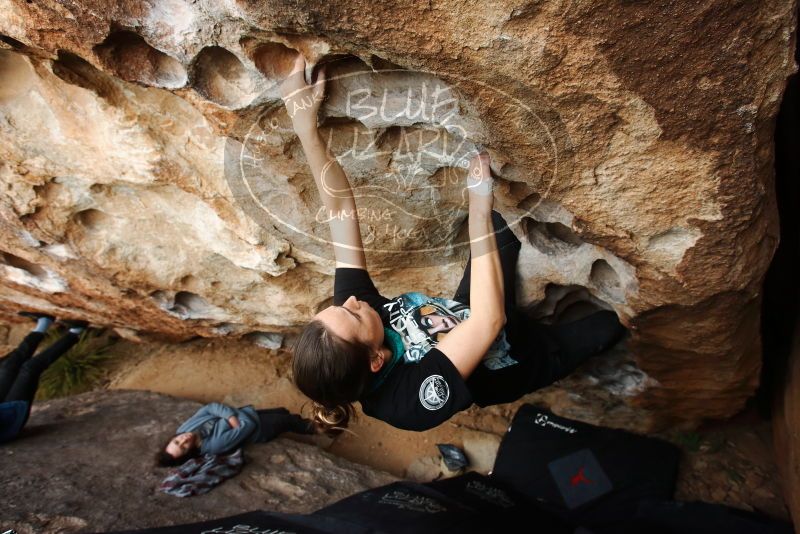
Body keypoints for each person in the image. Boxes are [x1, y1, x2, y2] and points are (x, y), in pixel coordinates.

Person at [282, 55, 627, 434]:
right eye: (350, 314)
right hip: (519, 359)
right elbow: (487, 322)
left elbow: (340, 209)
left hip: (469, 308)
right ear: (376, 360)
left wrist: (305, 129)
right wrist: (478, 207)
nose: (348, 302)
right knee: (614, 322)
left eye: (334, 308)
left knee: (511, 217)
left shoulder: (353, 322)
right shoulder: (409, 403)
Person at [0, 312, 87, 443]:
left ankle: (44, 323)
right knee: (29, 369)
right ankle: (75, 332)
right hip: (10, 419)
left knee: (9, 366)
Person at [156, 402, 316, 467]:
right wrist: (230, 414)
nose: (183, 440)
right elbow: (248, 426)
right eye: (184, 447)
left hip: (248, 412)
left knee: (283, 411)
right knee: (289, 421)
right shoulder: (214, 445)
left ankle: (310, 423)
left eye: (177, 442)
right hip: (260, 428)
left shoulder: (184, 429)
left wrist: (231, 416)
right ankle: (320, 429)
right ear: (189, 452)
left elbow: (210, 407)